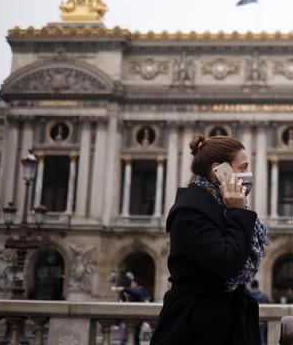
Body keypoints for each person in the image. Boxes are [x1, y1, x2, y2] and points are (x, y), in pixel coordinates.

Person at [151, 134, 269, 345]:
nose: (247, 174)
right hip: (194, 327)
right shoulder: (190, 210)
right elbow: (228, 261)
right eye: (242, 168)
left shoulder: (219, 204)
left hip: (223, 322)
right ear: (219, 170)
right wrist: (237, 212)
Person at [112, 278, 150, 345]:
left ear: (136, 283)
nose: (131, 285)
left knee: (134, 334)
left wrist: (124, 289)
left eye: (132, 283)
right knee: (131, 335)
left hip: (136, 316)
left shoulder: (140, 289)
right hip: (131, 317)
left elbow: (135, 293)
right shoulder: (133, 292)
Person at [249, 279, 270, 345]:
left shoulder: (248, 295)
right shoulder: (263, 295)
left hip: (250, 320)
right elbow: (268, 306)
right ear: (258, 285)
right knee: (261, 338)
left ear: (251, 285)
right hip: (261, 320)